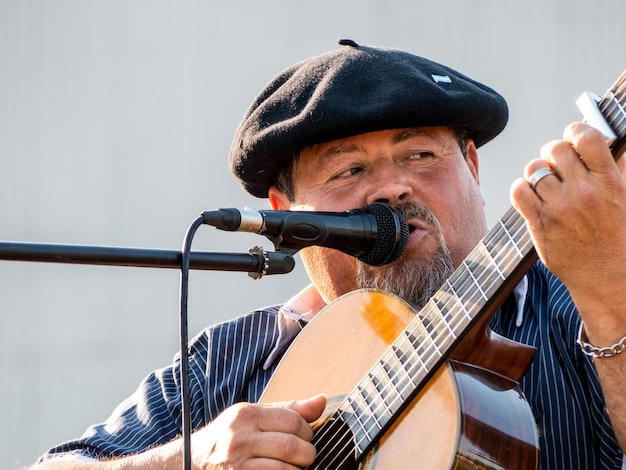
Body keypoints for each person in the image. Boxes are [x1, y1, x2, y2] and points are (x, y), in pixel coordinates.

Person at [31, 40, 625, 469]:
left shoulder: (583, 297)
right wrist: (190, 461)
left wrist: (609, 293)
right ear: (286, 210)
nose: (392, 187)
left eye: (420, 156)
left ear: (473, 168)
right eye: (350, 168)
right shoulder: (230, 362)